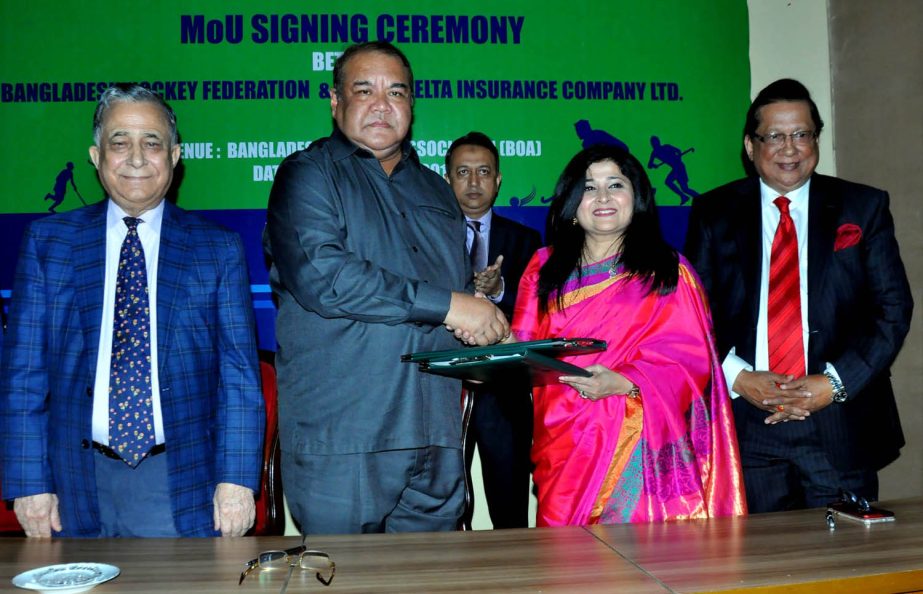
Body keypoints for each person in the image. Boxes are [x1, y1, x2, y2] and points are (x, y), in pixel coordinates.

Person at [265, 42, 508, 535]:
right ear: (335, 103)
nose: (382, 104)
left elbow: (456, 297)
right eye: (364, 90)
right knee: (345, 581)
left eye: (396, 91)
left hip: (434, 435)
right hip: (345, 439)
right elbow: (327, 278)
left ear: (412, 105)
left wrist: (489, 337)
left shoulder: (439, 192)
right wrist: (452, 307)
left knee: (431, 584)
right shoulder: (307, 175)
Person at [0, 84, 264, 537]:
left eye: (152, 142)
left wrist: (237, 481)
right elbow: (23, 374)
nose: (136, 158)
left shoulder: (217, 248)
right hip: (73, 484)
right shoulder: (49, 244)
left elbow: (238, 377)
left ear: (175, 156)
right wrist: (28, 483)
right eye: (119, 142)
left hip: (182, 483)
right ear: (95, 155)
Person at [684, 79, 913, 513]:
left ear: (816, 140)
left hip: (839, 421)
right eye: (774, 136)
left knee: (847, 567)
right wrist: (737, 377)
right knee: (760, 569)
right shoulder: (714, 213)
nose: (789, 148)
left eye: (801, 134)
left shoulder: (863, 207)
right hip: (748, 427)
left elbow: (893, 310)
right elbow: (693, 313)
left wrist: (834, 383)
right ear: (751, 147)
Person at [509, 144, 746, 526]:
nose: (602, 197)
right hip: (563, 446)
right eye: (588, 187)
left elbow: (692, 362)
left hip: (636, 438)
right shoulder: (541, 268)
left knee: (636, 564)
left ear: (636, 198)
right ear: (571, 202)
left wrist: (625, 382)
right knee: (567, 567)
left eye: (615, 185)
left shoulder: (668, 271)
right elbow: (521, 351)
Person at [444, 131, 542, 529]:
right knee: (446, 511)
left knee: (511, 512)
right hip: (444, 394)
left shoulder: (526, 240)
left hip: (505, 396)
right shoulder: (426, 238)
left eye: (483, 172)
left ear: (498, 179)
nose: (473, 182)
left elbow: (540, 310)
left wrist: (497, 289)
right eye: (462, 172)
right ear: (447, 178)